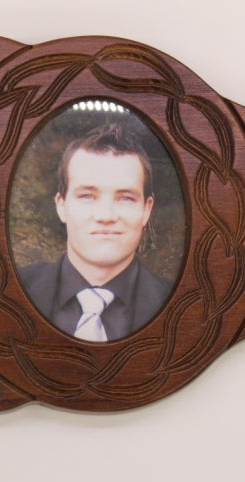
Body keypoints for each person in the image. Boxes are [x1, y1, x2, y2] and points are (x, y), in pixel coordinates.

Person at [19, 123, 172, 342]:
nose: (105, 216)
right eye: (87, 196)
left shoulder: (181, 306)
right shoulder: (8, 292)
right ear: (61, 206)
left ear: (146, 210)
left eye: (125, 198)